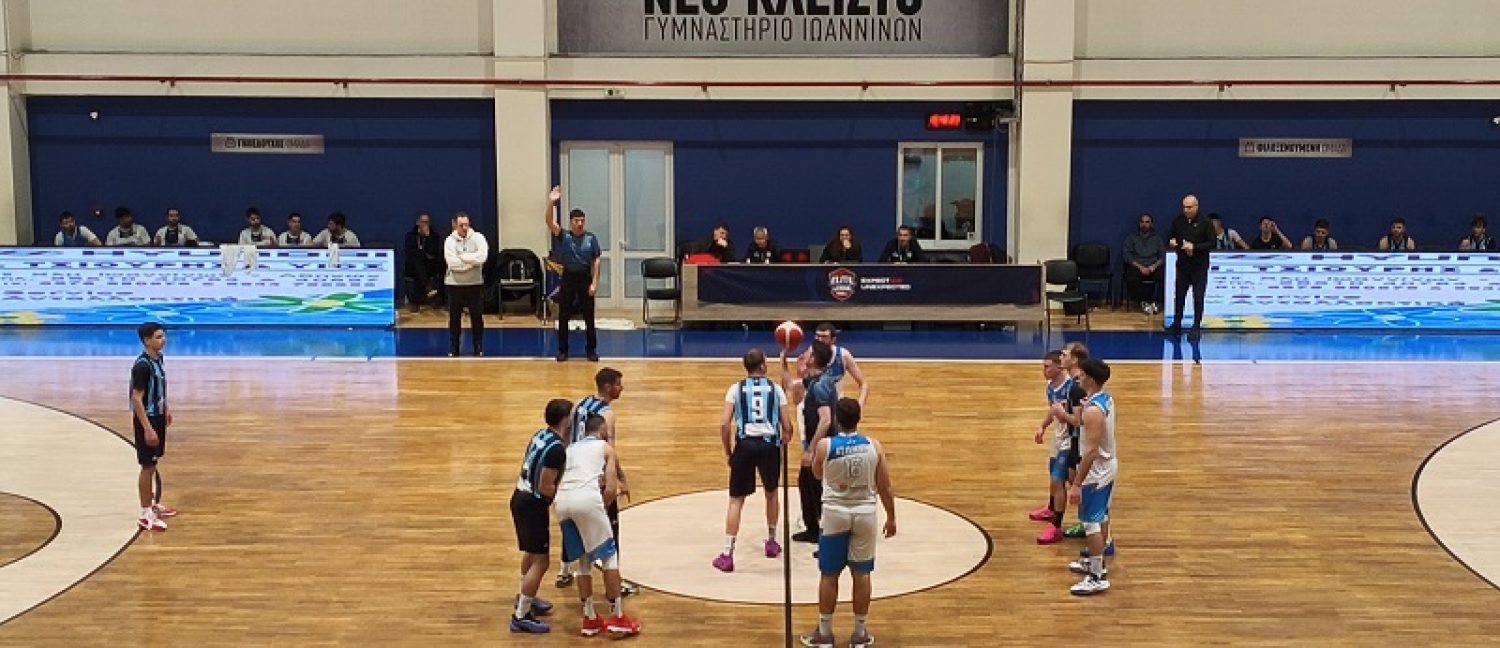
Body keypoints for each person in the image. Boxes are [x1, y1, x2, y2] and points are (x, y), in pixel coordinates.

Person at [799, 398, 895, 648]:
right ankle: (860, 633)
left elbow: (817, 474)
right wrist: (892, 517)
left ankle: (825, 633)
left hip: (835, 514)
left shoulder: (825, 445)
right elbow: (885, 486)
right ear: (858, 418)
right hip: (865, 513)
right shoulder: (874, 446)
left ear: (837, 420)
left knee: (829, 574)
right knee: (862, 574)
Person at [554, 415, 640, 637]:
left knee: (583, 560)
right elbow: (610, 489)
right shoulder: (605, 448)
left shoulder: (570, 449)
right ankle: (617, 616)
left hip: (562, 502)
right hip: (587, 501)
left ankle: (590, 618)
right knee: (609, 557)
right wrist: (601, 508)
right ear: (602, 431)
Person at [713, 349, 794, 572]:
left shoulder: (735, 389)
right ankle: (772, 541)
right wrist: (787, 436)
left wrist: (728, 451)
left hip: (745, 445)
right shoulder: (776, 389)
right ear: (764, 366)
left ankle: (727, 554)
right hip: (769, 446)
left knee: (736, 500)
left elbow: (724, 424)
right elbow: (787, 425)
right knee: (771, 493)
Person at [556, 368, 636, 596]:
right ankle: (616, 582)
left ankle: (564, 571)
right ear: (608, 387)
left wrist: (565, 465)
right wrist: (620, 478)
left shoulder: (579, 404)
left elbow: (565, 435)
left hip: (573, 471)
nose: (622, 388)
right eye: (618, 384)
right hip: (595, 477)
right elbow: (609, 450)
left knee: (572, 523)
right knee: (610, 528)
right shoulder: (607, 414)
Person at [509, 399, 572, 633]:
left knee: (531, 553)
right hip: (532, 505)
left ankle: (525, 595)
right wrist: (566, 498)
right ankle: (521, 615)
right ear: (565, 420)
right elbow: (545, 486)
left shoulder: (541, 435)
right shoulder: (557, 449)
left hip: (520, 497)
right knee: (542, 561)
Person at [1066, 358, 1118, 596]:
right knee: (1101, 516)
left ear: (1091, 378)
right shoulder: (1104, 399)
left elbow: (1091, 451)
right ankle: (1096, 563)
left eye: (1082, 373)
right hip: (1106, 466)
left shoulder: (1094, 411)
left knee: (1090, 523)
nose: (1078, 376)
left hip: (1097, 471)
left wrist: (1077, 483)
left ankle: (1097, 576)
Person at [782, 341, 836, 545]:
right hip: (817, 444)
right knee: (806, 482)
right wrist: (783, 359)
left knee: (816, 486)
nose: (804, 355)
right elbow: (789, 385)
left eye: (808, 353)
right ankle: (813, 529)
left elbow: (826, 420)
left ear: (814, 359)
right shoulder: (815, 380)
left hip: (822, 445)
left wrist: (812, 449)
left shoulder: (820, 385)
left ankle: (824, 533)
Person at [130, 323, 178, 531]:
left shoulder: (158, 359)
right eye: (158, 337)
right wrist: (147, 428)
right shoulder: (142, 366)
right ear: (146, 341)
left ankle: (152, 504)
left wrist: (165, 408)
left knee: (154, 461)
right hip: (147, 420)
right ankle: (144, 513)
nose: (163, 340)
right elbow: (136, 398)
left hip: (157, 417)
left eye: (163, 336)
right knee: (147, 466)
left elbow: (158, 388)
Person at [546, 186, 602, 362]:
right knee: (564, 315)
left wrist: (594, 283)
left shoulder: (591, 238)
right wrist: (551, 203)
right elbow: (549, 222)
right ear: (571, 222)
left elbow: (596, 260)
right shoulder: (565, 236)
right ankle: (563, 350)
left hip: (584, 278)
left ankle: (591, 350)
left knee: (589, 316)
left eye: (582, 221)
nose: (580, 223)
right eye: (577, 221)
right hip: (568, 278)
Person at [1028, 350, 1072, 544]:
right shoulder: (1050, 387)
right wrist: (1043, 426)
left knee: (1058, 478)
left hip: (1070, 438)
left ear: (1059, 367)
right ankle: (1052, 507)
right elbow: (1053, 410)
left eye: (1047, 367)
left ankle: (1056, 525)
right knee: (1052, 474)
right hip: (1058, 436)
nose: (1043, 370)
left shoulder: (1071, 387)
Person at [1166, 194, 1214, 335]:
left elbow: (1211, 243)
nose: (1186, 210)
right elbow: (1170, 236)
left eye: (1189, 207)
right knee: (1179, 296)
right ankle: (1176, 324)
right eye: (1184, 207)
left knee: (1198, 297)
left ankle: (1196, 326)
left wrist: (1195, 247)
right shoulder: (1178, 221)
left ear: (1196, 207)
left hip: (1199, 266)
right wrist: (1172, 242)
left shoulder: (1205, 222)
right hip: (1183, 265)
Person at [444, 212, 489, 357]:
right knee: (454, 318)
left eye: (466, 225)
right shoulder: (449, 241)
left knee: (477, 317)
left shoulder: (478, 238)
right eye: (461, 225)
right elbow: (452, 263)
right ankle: (454, 348)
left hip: (474, 283)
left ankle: (478, 347)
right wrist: (471, 263)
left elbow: (482, 257)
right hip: (454, 284)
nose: (464, 228)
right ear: (454, 225)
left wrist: (462, 258)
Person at [1122, 213, 1165, 312]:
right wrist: (1140, 267)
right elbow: (1127, 256)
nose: (1144, 224)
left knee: (1164, 276)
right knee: (1131, 276)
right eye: (1142, 222)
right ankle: (1142, 301)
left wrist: (1154, 266)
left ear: (1151, 224)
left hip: (1153, 266)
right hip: (1137, 267)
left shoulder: (1157, 239)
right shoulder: (1131, 238)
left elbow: (1162, 256)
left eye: (1147, 222)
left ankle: (1156, 302)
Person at [405, 212, 443, 312]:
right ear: (417, 222)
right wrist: (423, 254)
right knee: (417, 263)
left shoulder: (434, 236)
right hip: (414, 265)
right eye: (422, 222)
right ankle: (428, 288)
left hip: (430, 265)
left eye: (427, 222)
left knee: (421, 265)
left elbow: (433, 253)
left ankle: (417, 301)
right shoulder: (410, 236)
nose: (424, 224)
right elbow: (409, 252)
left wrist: (427, 237)